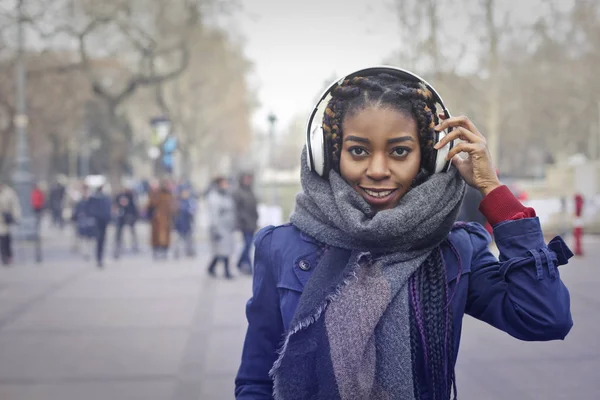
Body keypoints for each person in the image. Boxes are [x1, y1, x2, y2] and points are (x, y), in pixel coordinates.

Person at [235, 67, 573, 399]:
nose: (378, 170)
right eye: (358, 151)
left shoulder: (455, 251)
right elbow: (255, 381)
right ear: (328, 154)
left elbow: (545, 318)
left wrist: (492, 189)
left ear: (430, 156)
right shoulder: (280, 247)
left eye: (399, 151)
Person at [206, 177, 236, 279]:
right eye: (224, 183)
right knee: (223, 251)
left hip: (227, 227)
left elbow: (231, 210)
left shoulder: (227, 195)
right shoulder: (214, 197)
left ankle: (211, 267)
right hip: (219, 227)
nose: (226, 185)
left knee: (222, 251)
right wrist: (215, 229)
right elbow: (214, 215)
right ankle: (226, 271)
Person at [233, 173, 259, 274]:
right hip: (244, 223)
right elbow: (237, 209)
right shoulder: (238, 192)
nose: (248, 180)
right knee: (247, 244)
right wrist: (242, 219)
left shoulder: (250, 191)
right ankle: (248, 266)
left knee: (249, 244)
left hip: (252, 222)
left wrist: (256, 218)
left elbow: (254, 207)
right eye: (246, 178)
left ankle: (240, 263)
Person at [85, 184, 112, 268]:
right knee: (101, 240)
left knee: (95, 239)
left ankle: (96, 257)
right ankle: (99, 258)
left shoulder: (93, 198)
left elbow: (88, 209)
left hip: (96, 221)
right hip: (101, 221)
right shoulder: (105, 198)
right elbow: (108, 210)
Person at [148, 181, 175, 260]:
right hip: (157, 220)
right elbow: (150, 206)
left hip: (165, 220)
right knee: (157, 236)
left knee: (164, 236)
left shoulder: (168, 196)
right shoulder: (157, 195)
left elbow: (172, 208)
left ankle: (163, 251)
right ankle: (158, 250)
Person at [113, 187, 139, 259]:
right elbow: (115, 206)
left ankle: (134, 245)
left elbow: (134, 207)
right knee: (119, 233)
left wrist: (134, 216)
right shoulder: (119, 196)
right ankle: (118, 246)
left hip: (129, 215)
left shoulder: (130, 196)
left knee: (132, 232)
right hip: (121, 217)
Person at [71, 185, 96, 260]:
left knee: (90, 239)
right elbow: (76, 211)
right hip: (82, 221)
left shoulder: (92, 201)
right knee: (83, 238)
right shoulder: (80, 202)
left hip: (90, 222)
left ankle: (89, 252)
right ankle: (86, 253)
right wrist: (74, 218)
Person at [0, 183, 21, 266]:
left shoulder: (9, 192)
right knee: (2, 239)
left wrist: (16, 217)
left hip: (5, 219)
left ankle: (8, 256)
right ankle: (4, 256)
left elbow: (15, 205)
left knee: (6, 238)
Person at [173, 188, 197, 258]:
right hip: (179, 224)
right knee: (178, 240)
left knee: (189, 239)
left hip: (188, 223)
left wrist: (189, 211)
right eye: (183, 193)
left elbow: (193, 211)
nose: (185, 194)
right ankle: (176, 252)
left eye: (186, 193)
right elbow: (174, 212)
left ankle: (190, 251)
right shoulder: (178, 202)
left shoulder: (190, 201)